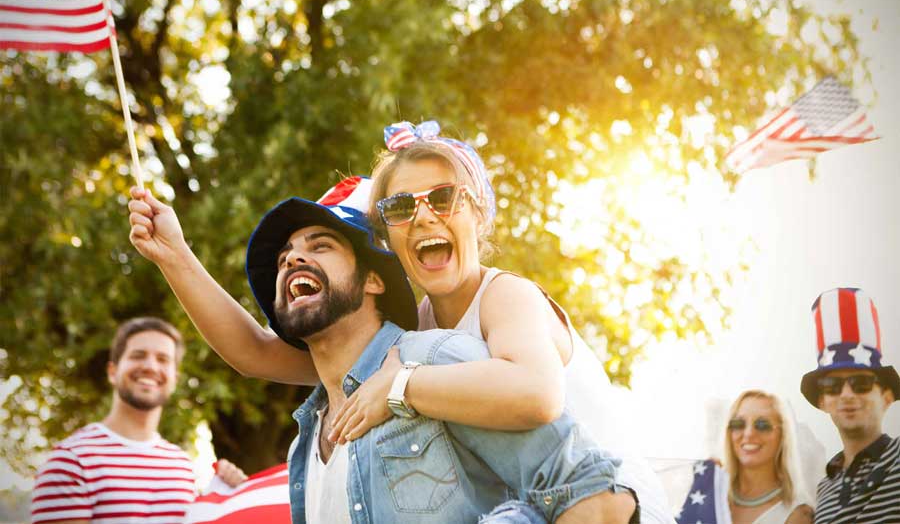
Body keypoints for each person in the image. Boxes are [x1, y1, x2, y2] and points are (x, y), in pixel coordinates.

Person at [129, 176, 629, 522]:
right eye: (284, 257)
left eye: (320, 244)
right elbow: (250, 351)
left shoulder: (434, 359)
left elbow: (591, 491)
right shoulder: (306, 444)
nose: (293, 257)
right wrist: (172, 254)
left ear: (373, 280)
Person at [333, 120, 671, 523]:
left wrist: (401, 384)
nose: (423, 217)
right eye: (401, 208)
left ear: (477, 215)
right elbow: (275, 355)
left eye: (443, 198)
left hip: (611, 503)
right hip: (528, 509)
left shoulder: (505, 296)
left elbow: (538, 395)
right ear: (387, 236)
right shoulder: (414, 332)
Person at [30, 317, 247, 524]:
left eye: (163, 359)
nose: (151, 367)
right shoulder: (71, 460)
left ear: (175, 379)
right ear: (112, 372)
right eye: (138, 355)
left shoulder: (182, 466)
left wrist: (233, 493)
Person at [799, 287, 900, 524]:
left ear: (886, 397)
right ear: (823, 401)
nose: (846, 394)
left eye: (861, 383)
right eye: (833, 385)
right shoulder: (823, 489)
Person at [722, 390, 813, 524]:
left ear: (782, 436)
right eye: (738, 424)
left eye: (762, 425)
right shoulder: (710, 501)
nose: (748, 434)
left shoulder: (798, 513)